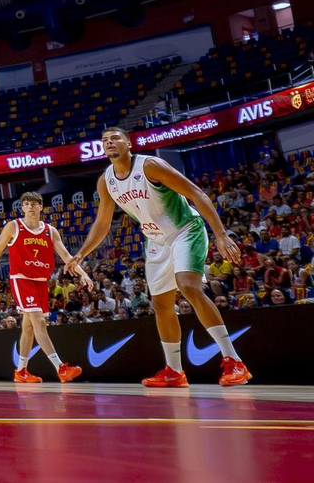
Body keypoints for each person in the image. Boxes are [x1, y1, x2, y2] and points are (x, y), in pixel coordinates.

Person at [71, 126, 250, 387]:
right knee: (162, 304)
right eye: (105, 140)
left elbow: (196, 193)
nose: (109, 143)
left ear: (128, 143)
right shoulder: (105, 180)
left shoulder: (150, 165)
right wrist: (81, 254)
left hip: (185, 229)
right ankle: (175, 372)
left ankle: (235, 361)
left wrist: (221, 234)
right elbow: (102, 224)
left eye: (115, 138)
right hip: (156, 240)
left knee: (188, 287)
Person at [0, 191, 90, 383]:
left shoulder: (50, 231)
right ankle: (61, 368)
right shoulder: (14, 226)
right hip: (22, 279)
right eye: (26, 204)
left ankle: (21, 371)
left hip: (41, 282)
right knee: (39, 322)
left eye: (34, 204)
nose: (30, 207)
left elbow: (67, 256)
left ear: (41, 207)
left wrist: (84, 275)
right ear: (22, 207)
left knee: (28, 328)